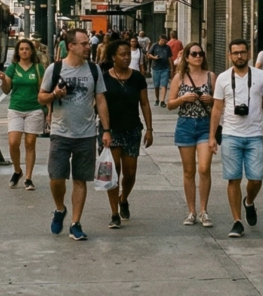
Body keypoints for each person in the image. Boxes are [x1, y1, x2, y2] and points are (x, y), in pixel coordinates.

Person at [39, 28, 112, 242]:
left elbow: (101, 100)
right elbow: (41, 97)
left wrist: (106, 130)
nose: (89, 46)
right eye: (84, 44)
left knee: (80, 179)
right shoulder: (55, 69)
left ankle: (75, 223)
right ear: (71, 46)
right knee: (56, 178)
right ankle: (60, 209)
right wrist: (55, 94)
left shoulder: (94, 69)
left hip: (86, 134)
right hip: (60, 132)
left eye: (88, 43)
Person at [210, 38, 263, 238]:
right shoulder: (223, 78)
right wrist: (212, 136)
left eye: (242, 52)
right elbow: (217, 108)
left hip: (254, 135)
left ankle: (248, 202)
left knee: (256, 178)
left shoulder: (261, 75)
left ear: (248, 54)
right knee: (233, 178)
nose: (239, 56)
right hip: (230, 134)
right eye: (235, 53)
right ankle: (237, 221)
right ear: (230, 55)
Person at [98, 39, 153, 228]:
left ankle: (123, 198)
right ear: (113, 57)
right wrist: (104, 130)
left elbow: (144, 103)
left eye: (128, 54)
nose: (126, 58)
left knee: (130, 173)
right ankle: (114, 212)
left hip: (132, 129)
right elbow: (99, 104)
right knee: (112, 171)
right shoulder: (104, 78)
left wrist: (149, 129)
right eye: (122, 55)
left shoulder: (137, 78)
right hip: (110, 130)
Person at [168, 42, 215, 226]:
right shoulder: (179, 77)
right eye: (194, 54)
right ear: (186, 57)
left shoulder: (211, 76)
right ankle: (191, 211)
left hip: (205, 125)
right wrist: (182, 99)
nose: (198, 57)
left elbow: (220, 103)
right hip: (185, 125)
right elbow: (170, 104)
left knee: (204, 168)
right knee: (189, 171)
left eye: (200, 54)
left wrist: (211, 100)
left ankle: (204, 210)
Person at [0, 38, 46, 191]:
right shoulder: (13, 68)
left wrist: (47, 110)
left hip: (34, 109)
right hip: (16, 108)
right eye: (21, 49)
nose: (24, 51)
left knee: (30, 143)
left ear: (32, 51)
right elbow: (6, 90)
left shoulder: (38, 68)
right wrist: (3, 80)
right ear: (18, 52)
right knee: (13, 142)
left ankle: (28, 178)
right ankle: (17, 170)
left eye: (27, 49)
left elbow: (43, 89)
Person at [148, 34, 173, 106]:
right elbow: (148, 54)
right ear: (159, 40)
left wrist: (171, 68)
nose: (163, 42)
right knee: (156, 85)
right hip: (155, 68)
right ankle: (157, 99)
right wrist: (154, 57)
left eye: (165, 40)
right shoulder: (154, 46)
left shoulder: (167, 47)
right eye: (162, 40)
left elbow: (169, 58)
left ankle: (162, 101)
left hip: (165, 68)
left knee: (164, 84)